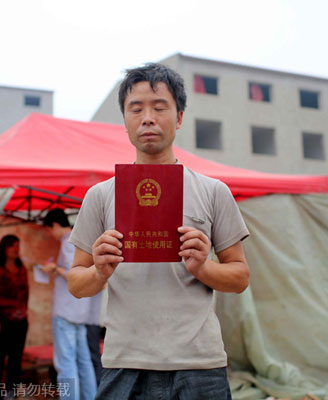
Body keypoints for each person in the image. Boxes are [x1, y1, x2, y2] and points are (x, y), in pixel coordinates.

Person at [67, 63, 251, 399]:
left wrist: (203, 267)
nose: (147, 118)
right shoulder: (100, 196)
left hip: (199, 364)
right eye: (135, 109)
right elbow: (77, 283)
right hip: (125, 361)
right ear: (125, 121)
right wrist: (100, 271)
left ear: (179, 118)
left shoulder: (213, 191)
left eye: (160, 107)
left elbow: (240, 277)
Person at [42, 208, 97, 400]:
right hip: (80, 311)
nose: (50, 235)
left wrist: (55, 269)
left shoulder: (68, 243)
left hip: (66, 311)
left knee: (66, 363)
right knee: (83, 361)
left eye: (49, 230)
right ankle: (90, 396)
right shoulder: (81, 240)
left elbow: (73, 275)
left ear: (55, 225)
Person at [0, 235, 29, 399]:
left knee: (16, 359)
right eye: (12, 246)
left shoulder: (22, 268)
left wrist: (24, 312)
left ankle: (11, 393)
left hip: (21, 322)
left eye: (18, 245)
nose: (16, 249)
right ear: (4, 249)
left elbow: (26, 293)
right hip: (2, 321)